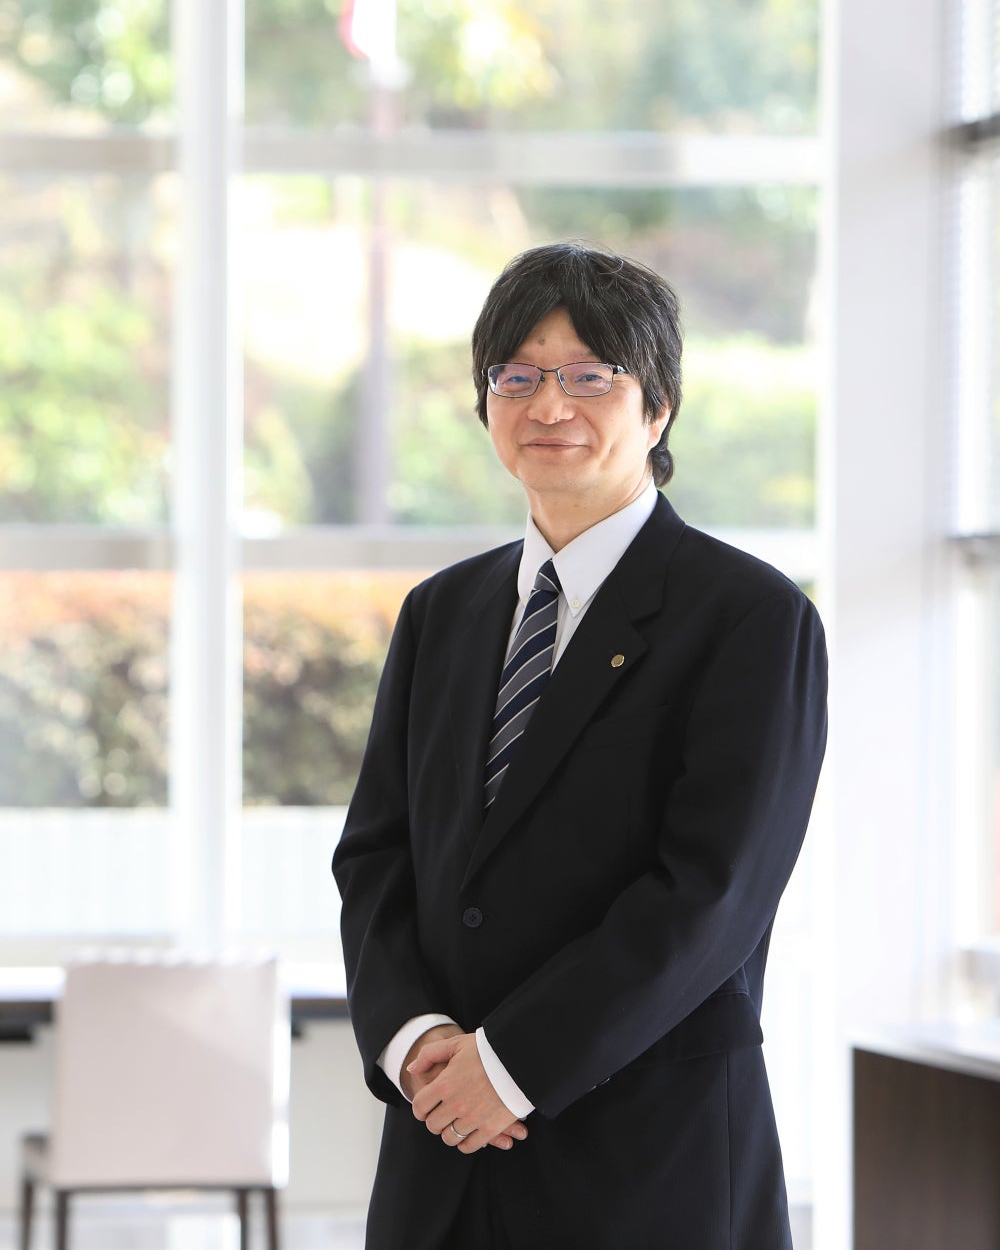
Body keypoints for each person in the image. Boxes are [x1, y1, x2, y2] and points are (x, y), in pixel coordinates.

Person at [332, 242, 828, 1249]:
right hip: (442, 1153)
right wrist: (417, 1042)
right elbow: (378, 857)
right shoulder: (442, 613)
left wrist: (511, 1064)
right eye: (515, 377)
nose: (548, 405)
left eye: (590, 376)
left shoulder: (750, 617)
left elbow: (711, 894)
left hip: (645, 1164)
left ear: (659, 407)